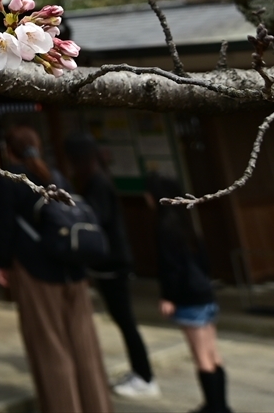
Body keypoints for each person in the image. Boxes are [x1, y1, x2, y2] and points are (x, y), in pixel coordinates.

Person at [0, 125, 114, 413]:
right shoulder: (56, 176)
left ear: (9, 150)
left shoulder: (11, 180)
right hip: (73, 268)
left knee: (51, 347)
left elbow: (3, 227)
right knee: (85, 347)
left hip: (37, 270)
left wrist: (1, 262)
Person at [65, 134, 159, 400]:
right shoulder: (99, 181)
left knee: (126, 321)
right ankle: (140, 372)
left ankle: (145, 377)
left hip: (113, 263)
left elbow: (95, 219)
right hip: (110, 262)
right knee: (123, 320)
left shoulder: (97, 184)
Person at [147, 172, 230, 413]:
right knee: (213, 353)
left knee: (200, 355)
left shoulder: (164, 227)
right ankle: (220, 405)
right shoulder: (187, 222)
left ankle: (214, 408)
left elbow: (169, 267)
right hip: (204, 292)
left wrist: (168, 296)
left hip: (188, 296)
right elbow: (203, 260)